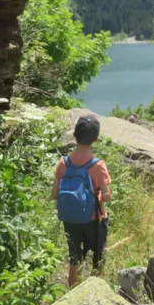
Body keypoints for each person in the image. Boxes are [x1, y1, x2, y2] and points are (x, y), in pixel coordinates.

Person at [51, 115, 112, 287]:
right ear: (96, 139)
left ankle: (72, 293)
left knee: (74, 258)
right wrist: (99, 196)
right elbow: (106, 196)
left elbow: (54, 194)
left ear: (74, 135)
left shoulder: (63, 162)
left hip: (70, 219)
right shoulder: (97, 165)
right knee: (97, 259)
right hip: (94, 220)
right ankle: (95, 293)